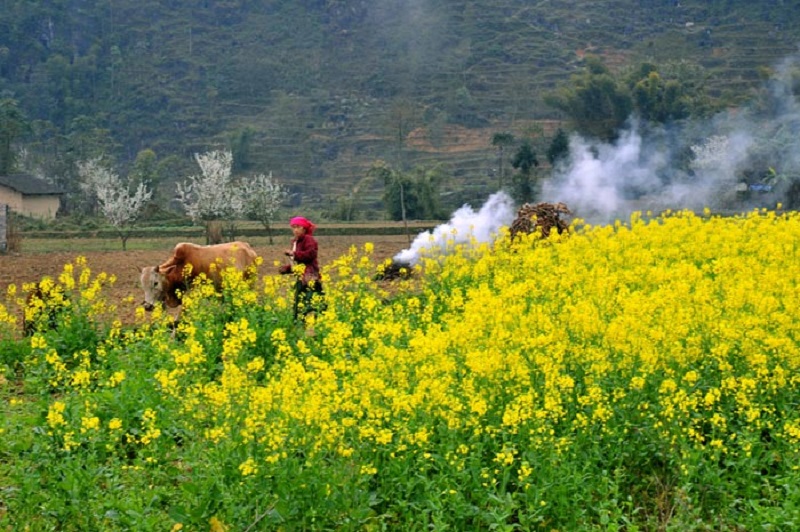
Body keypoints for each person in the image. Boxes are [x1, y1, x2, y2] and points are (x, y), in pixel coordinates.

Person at [279, 216, 324, 322]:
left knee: (311, 303)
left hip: (310, 276)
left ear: (304, 228)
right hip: (301, 277)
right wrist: (287, 269)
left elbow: (310, 255)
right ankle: (300, 325)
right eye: (293, 227)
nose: (295, 230)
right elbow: (299, 264)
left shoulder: (308, 239)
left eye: (298, 227)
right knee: (299, 304)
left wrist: (293, 254)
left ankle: (313, 325)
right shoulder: (296, 242)